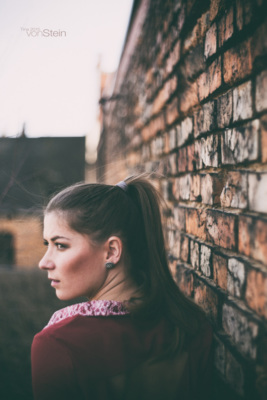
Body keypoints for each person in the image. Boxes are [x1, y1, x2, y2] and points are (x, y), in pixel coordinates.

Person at [31, 175, 213, 400]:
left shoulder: (58, 345)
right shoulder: (190, 325)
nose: (44, 262)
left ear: (111, 252)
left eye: (60, 245)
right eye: (46, 244)